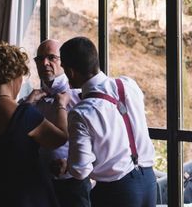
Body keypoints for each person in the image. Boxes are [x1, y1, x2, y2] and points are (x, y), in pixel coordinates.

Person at [0, 41, 69, 206]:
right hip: (23, 196)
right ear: (14, 75)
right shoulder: (24, 114)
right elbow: (60, 138)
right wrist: (62, 105)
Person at [60, 36, 157, 207]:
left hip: (115, 193)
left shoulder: (81, 114)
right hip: (148, 182)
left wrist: (67, 165)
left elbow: (80, 170)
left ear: (70, 71)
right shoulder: (128, 85)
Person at [23, 39, 91, 206]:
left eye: (51, 57)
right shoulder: (30, 101)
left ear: (64, 62)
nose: (45, 63)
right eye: (40, 59)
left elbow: (99, 142)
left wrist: (70, 164)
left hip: (74, 185)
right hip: (39, 184)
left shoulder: (82, 98)